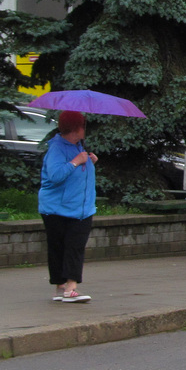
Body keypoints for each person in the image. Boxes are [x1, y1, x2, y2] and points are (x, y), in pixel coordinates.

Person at [38, 110, 98, 302]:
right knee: (65, 247)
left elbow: (78, 172)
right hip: (59, 209)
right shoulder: (57, 148)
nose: (85, 130)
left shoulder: (77, 146)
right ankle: (67, 288)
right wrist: (76, 161)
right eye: (83, 126)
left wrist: (90, 162)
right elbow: (55, 176)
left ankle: (63, 288)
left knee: (71, 246)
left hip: (80, 208)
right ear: (77, 129)